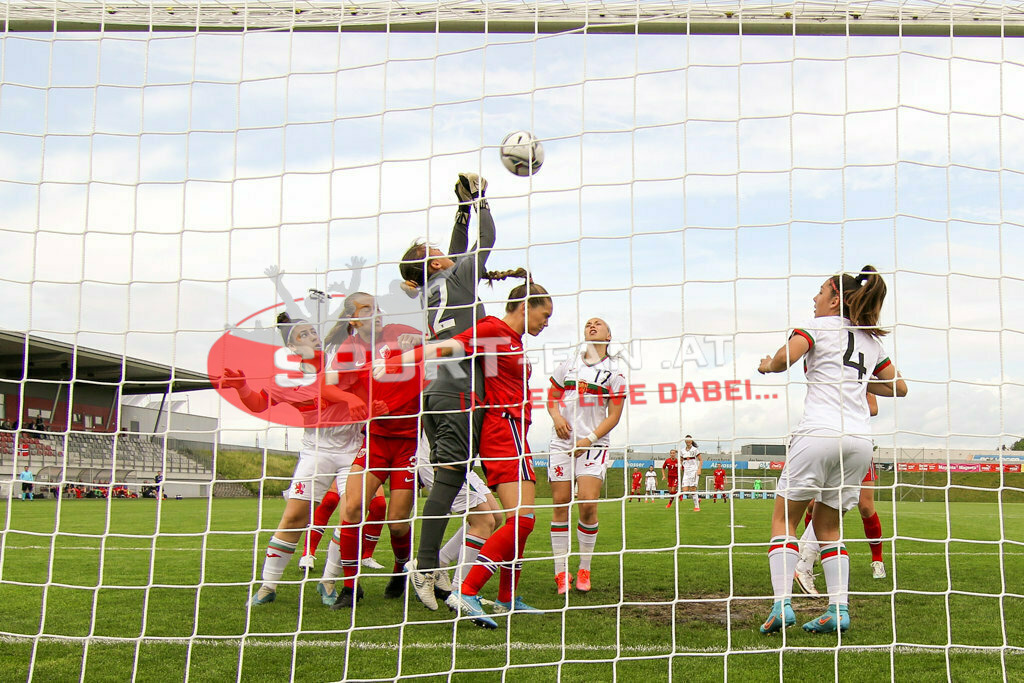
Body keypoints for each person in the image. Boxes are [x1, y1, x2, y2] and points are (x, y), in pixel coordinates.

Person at [376, 280, 553, 628]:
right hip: (503, 431)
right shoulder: (493, 329)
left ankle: (506, 597)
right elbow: (446, 348)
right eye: (544, 314)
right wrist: (397, 362)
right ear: (524, 305)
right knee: (522, 520)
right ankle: (467, 590)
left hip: (517, 433)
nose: (546, 322)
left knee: (523, 523)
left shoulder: (514, 342)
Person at [397, 173, 529, 609]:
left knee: (452, 483)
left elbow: (456, 250)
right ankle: (425, 565)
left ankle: (431, 568)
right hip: (460, 393)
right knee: (448, 483)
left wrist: (461, 208)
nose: (444, 252)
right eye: (436, 252)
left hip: (439, 391)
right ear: (435, 264)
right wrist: (482, 202)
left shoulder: (434, 289)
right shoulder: (456, 279)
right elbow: (485, 240)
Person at [756, 265, 906, 634]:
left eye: (820, 291)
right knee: (829, 527)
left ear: (836, 298)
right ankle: (838, 610)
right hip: (858, 442)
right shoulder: (872, 341)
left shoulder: (817, 327)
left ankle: (781, 605)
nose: (814, 297)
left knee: (784, 520)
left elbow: (784, 359)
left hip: (818, 434)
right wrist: (857, 382)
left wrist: (767, 366)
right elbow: (899, 388)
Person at [221, 313, 374, 608]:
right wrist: (241, 388)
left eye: (313, 332)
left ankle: (328, 580)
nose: (313, 337)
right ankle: (268, 586)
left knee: (353, 511)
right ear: (292, 346)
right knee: (294, 517)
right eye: (304, 334)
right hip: (315, 450)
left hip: (353, 448)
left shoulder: (341, 360)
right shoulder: (285, 378)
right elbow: (259, 403)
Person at [318, 293, 426, 608]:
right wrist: (352, 401)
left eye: (377, 308)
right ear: (353, 319)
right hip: (375, 440)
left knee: (397, 521)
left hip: (408, 442)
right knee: (351, 509)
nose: (376, 314)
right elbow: (327, 384)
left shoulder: (399, 332)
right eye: (367, 310)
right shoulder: (350, 349)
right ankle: (351, 588)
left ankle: (400, 569)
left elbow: (436, 342)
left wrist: (420, 341)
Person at [546, 317, 627, 594]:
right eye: (588, 323)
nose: (592, 325)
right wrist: (556, 417)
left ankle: (584, 569)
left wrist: (588, 439)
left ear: (608, 336)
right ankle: (560, 572)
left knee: (588, 504)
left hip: (593, 444)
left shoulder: (615, 373)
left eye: (599, 324)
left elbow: (614, 415)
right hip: (561, 443)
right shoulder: (567, 364)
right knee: (559, 502)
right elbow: (551, 398)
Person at [795, 393, 887, 595]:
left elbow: (874, 407)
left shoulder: (859, 373)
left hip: (856, 442)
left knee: (861, 505)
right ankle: (806, 558)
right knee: (820, 504)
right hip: (827, 439)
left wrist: (849, 404)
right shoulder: (825, 373)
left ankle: (877, 560)